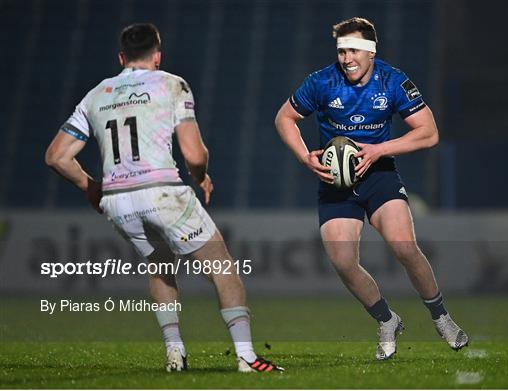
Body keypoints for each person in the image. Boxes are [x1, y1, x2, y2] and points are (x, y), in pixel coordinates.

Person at [45, 23, 282, 373]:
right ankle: (247, 357)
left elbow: (56, 157)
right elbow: (194, 154)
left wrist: (91, 187)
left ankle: (175, 353)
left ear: (122, 57)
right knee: (222, 267)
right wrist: (201, 178)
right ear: (158, 55)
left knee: (160, 266)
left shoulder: (96, 94)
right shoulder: (171, 83)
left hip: (118, 200)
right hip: (162, 192)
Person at [275, 17, 468, 360]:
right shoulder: (321, 81)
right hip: (336, 180)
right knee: (342, 260)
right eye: (341, 51)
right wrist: (306, 157)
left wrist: (379, 149)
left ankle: (441, 318)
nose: (346, 58)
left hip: (379, 174)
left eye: (352, 50)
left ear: (370, 52)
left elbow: (429, 132)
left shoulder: (393, 81)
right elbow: (284, 118)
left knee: (404, 247)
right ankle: (387, 319)